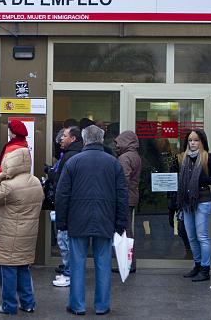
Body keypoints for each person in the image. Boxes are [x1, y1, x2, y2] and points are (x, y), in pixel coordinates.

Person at [55, 125, 128, 316]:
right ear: (102, 140)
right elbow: (122, 195)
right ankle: (102, 306)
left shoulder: (73, 162)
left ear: (85, 140)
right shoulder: (113, 163)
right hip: (105, 219)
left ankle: (77, 305)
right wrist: (120, 222)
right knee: (103, 263)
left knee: (77, 263)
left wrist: (61, 222)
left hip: (77, 220)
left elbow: (62, 194)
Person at [0, 146, 43, 314]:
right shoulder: (35, 182)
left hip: (9, 234)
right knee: (23, 268)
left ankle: (9, 305)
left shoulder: (10, 186)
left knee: (8, 269)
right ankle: (28, 303)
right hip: (28, 234)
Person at [177, 130, 211, 282]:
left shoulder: (208, 158)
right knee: (191, 236)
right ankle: (197, 265)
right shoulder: (183, 158)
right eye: (190, 140)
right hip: (187, 202)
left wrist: (203, 180)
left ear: (202, 141)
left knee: (202, 236)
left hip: (203, 200)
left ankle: (205, 269)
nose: (193, 143)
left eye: (196, 140)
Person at [52, 126, 83, 287]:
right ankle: (69, 271)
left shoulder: (71, 157)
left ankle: (70, 273)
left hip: (69, 206)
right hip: (73, 206)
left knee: (66, 241)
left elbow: (63, 186)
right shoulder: (73, 155)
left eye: (64, 136)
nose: (61, 139)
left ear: (73, 139)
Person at [114, 130, 142, 273]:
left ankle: (127, 264)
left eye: (119, 142)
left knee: (125, 232)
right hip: (132, 196)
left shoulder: (125, 158)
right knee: (127, 230)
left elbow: (122, 180)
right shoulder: (135, 156)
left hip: (125, 198)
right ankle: (128, 263)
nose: (116, 145)